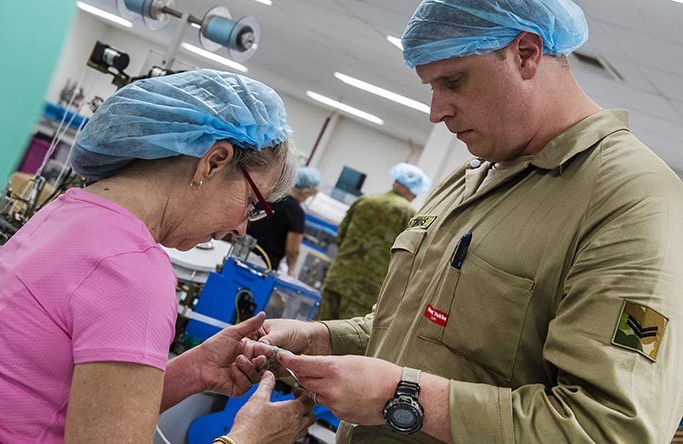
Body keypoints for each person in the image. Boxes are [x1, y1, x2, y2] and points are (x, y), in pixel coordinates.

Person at [243, 1, 683, 443]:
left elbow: (609, 429)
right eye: (432, 87)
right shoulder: (471, 177)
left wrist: (400, 397)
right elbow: (409, 330)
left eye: (453, 81)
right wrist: (319, 339)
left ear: (527, 54)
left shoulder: (630, 199)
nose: (437, 111)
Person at [0, 70, 314, 443]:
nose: (243, 227)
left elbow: (45, 400)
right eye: (254, 203)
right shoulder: (133, 270)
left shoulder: (71, 210)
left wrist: (190, 371)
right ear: (214, 161)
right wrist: (245, 439)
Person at [317, 163, 431, 320]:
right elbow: (408, 256)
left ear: (395, 182)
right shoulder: (409, 213)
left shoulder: (365, 200)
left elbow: (341, 234)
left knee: (317, 332)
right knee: (345, 339)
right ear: (411, 190)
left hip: (338, 278)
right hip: (366, 291)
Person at [247, 166, 322, 276]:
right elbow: (292, 250)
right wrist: (292, 270)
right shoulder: (296, 212)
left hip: (242, 250)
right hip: (264, 263)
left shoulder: (270, 197)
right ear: (305, 192)